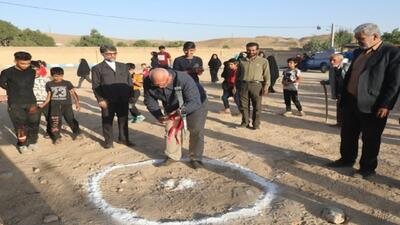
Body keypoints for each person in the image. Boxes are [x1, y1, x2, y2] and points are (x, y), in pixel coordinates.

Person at [326, 23, 400, 179]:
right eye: (357, 39)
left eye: (361, 39)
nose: (358, 42)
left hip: (373, 104)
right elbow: (349, 65)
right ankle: (346, 159)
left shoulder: (392, 53)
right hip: (351, 100)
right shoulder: (359, 51)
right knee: (348, 133)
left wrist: (386, 104)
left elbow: (395, 82)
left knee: (370, 138)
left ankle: (367, 168)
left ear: (375, 37)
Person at [143, 68, 208, 169]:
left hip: (195, 102)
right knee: (170, 129)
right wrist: (158, 115)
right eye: (157, 85)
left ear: (169, 77)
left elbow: (194, 102)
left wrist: (179, 113)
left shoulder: (184, 79)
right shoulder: (148, 81)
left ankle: (196, 158)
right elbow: (150, 100)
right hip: (171, 104)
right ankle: (172, 155)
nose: (160, 86)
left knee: (196, 129)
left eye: (162, 84)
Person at [92, 45, 134, 149]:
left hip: (123, 98)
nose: (112, 55)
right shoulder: (97, 68)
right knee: (107, 121)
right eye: (109, 53)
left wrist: (130, 96)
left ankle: (124, 138)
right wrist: (100, 99)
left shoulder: (123, 66)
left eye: (114, 53)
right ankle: (108, 142)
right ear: (103, 54)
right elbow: (96, 85)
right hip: (107, 100)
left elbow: (129, 82)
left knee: (123, 120)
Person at [0, 51, 40, 153]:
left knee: (34, 123)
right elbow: (1, 83)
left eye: (28, 63)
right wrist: (11, 90)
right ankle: (22, 144)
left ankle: (33, 141)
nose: (26, 65)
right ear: (15, 61)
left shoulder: (32, 71)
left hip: (31, 102)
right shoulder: (7, 72)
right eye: (23, 63)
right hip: (15, 103)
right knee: (20, 126)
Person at [39, 67, 81, 144]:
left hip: (67, 106)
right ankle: (56, 137)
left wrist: (77, 103)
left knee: (70, 119)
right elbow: (49, 96)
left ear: (63, 75)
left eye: (60, 75)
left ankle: (77, 133)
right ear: (52, 76)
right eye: (56, 76)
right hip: (54, 106)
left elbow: (73, 93)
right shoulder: (49, 84)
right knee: (55, 122)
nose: (58, 78)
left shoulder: (67, 83)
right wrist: (44, 104)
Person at [237, 42, 270, 129]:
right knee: (244, 106)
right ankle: (245, 123)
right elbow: (238, 75)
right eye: (248, 50)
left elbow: (267, 75)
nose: (251, 52)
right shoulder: (241, 61)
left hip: (256, 86)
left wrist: (266, 86)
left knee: (257, 106)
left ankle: (256, 124)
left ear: (257, 50)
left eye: (253, 50)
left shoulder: (263, 61)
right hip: (243, 85)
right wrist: (235, 86)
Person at [320, 54, 349, 126]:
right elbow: (332, 80)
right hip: (339, 92)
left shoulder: (347, 67)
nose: (332, 62)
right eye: (330, 60)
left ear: (341, 60)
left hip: (349, 92)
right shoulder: (332, 69)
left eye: (334, 60)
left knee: (349, 109)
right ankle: (339, 123)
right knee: (339, 107)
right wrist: (325, 82)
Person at [31, 60, 52, 137]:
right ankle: (33, 135)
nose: (35, 71)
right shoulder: (26, 80)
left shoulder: (46, 80)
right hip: (33, 103)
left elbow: (50, 92)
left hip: (46, 102)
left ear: (40, 69)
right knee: (34, 120)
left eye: (37, 69)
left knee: (49, 118)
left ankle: (49, 132)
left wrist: (45, 102)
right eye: (32, 70)